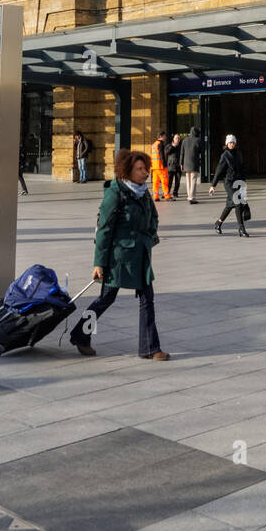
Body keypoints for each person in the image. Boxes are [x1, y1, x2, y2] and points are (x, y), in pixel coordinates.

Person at [69, 148, 168, 360]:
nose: (145, 173)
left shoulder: (143, 192)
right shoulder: (115, 193)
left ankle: (150, 348)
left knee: (147, 299)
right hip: (118, 257)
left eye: (146, 168)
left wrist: (149, 236)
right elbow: (104, 230)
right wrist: (99, 264)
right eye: (140, 169)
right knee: (105, 298)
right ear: (127, 171)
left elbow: (153, 217)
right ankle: (80, 335)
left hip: (140, 255)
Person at [209, 135, 249, 237]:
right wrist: (213, 185)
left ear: (235, 143)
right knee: (238, 202)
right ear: (227, 144)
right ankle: (241, 228)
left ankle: (218, 223)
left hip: (238, 182)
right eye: (230, 143)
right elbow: (219, 170)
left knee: (230, 205)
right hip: (229, 182)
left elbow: (242, 168)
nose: (232, 144)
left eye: (233, 142)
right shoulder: (225, 155)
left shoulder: (239, 153)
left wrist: (243, 183)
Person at [181, 125, 202, 203]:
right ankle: (192, 197)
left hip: (186, 162)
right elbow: (201, 151)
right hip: (194, 162)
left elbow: (182, 153)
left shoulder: (185, 140)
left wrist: (181, 163)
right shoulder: (198, 140)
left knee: (188, 180)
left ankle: (189, 195)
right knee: (193, 179)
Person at [150, 131, 170, 201]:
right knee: (164, 181)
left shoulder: (154, 144)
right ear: (161, 136)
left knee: (155, 182)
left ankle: (155, 196)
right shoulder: (160, 144)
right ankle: (167, 195)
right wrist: (165, 165)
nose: (165, 137)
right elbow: (162, 156)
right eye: (164, 136)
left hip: (154, 167)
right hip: (160, 166)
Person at [166, 133, 182, 200]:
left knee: (177, 181)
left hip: (178, 166)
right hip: (171, 166)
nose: (177, 140)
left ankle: (175, 193)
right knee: (169, 181)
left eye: (178, 138)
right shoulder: (169, 145)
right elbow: (167, 152)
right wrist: (172, 146)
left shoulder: (181, 146)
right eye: (176, 138)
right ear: (173, 139)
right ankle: (167, 192)